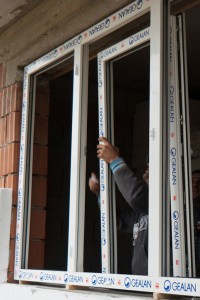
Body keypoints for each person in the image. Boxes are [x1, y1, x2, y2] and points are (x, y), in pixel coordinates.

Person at [89, 136, 149, 275]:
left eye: (153, 165)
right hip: (141, 285)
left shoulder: (163, 204)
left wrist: (114, 160)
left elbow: (135, 196)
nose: (147, 168)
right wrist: (100, 194)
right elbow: (118, 220)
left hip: (159, 285)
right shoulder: (140, 213)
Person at [192, 169, 200, 277]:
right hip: (189, 270)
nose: (195, 185)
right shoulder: (181, 208)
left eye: (199, 182)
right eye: (192, 181)